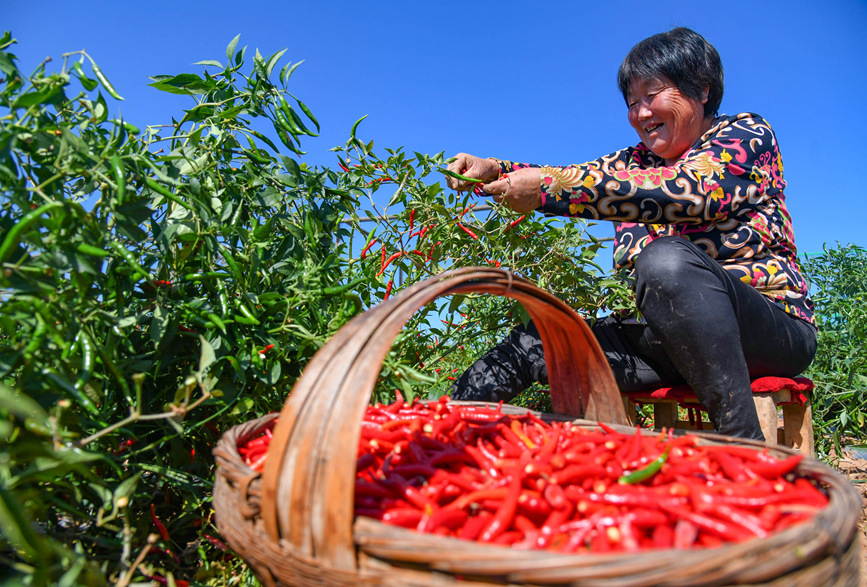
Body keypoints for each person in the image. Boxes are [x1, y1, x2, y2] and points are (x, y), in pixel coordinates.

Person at [444, 27, 817, 440]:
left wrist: (548, 190)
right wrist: (496, 170)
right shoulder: (631, 163)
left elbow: (689, 192)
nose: (640, 113)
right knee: (536, 342)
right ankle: (437, 438)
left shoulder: (745, 135)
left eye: (652, 94)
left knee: (666, 262)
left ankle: (744, 452)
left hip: (768, 331)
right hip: (671, 338)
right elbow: (574, 176)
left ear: (703, 90)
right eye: (632, 102)